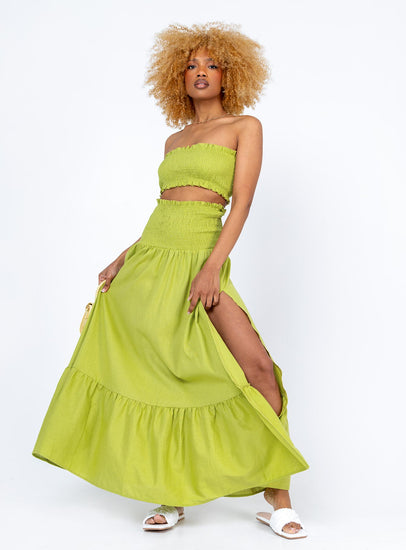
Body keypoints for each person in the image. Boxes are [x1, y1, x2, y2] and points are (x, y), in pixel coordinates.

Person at [32, 22, 310, 540]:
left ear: (230, 74)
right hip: (152, 263)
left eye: (212, 64)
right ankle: (173, 495)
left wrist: (211, 267)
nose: (201, 72)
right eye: (191, 65)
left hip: (203, 260)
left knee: (258, 369)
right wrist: (124, 257)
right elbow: (166, 209)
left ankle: (278, 497)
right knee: (167, 379)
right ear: (177, 77)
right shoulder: (174, 140)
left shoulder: (245, 126)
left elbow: (241, 204)